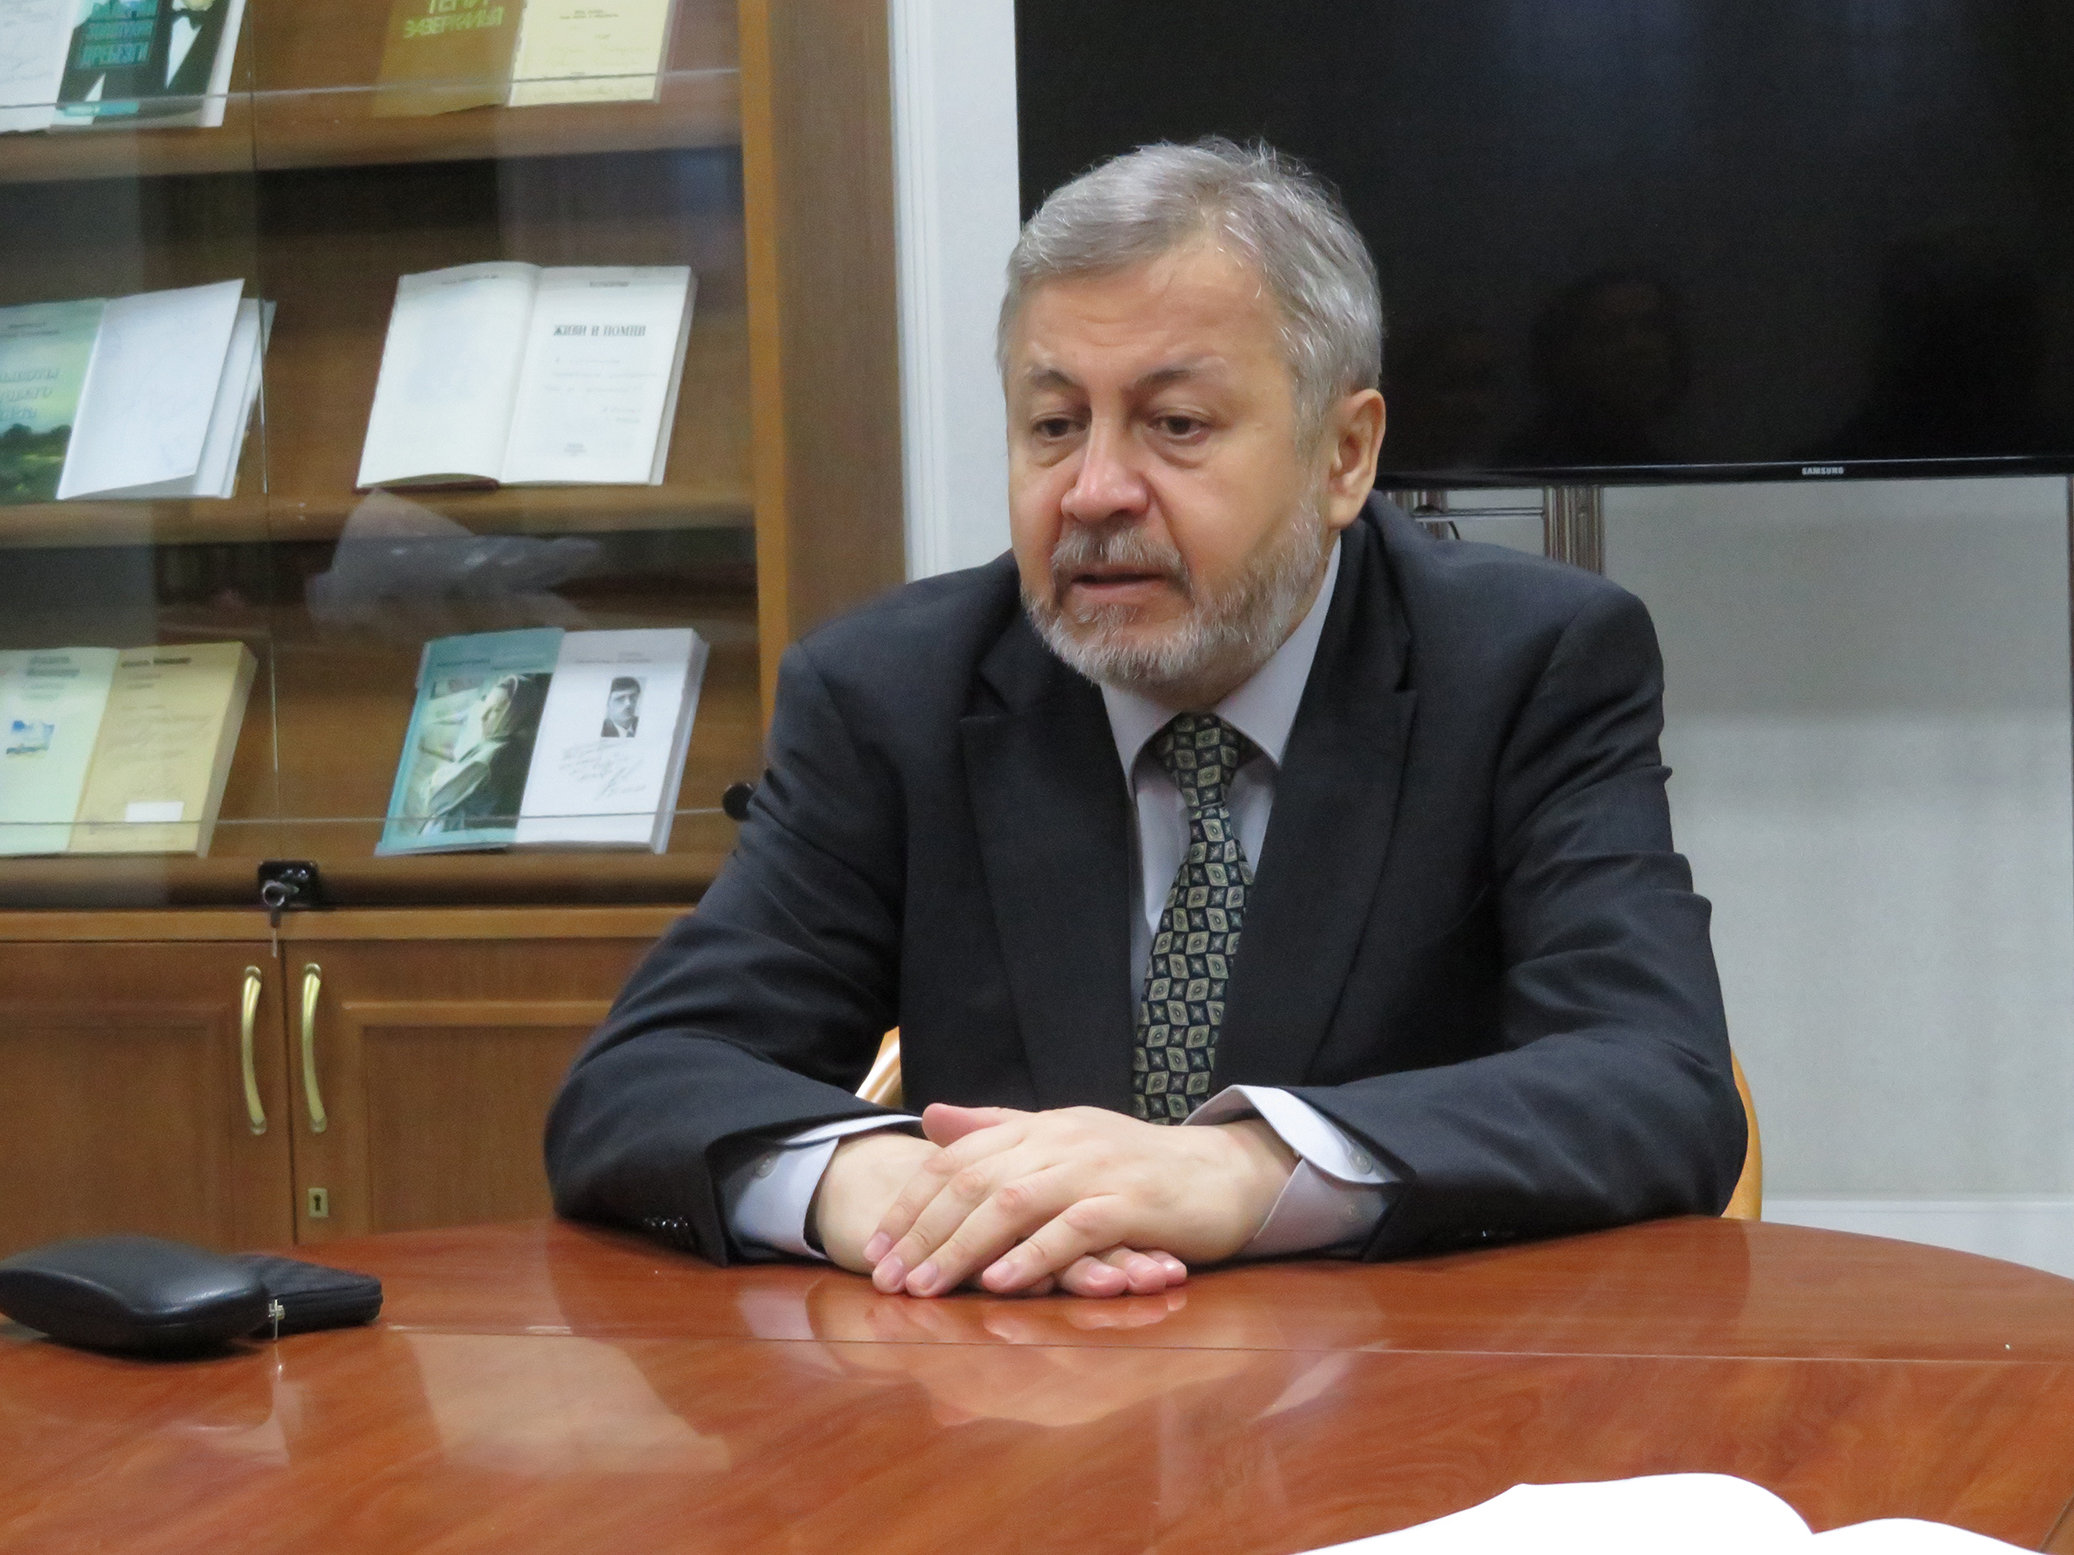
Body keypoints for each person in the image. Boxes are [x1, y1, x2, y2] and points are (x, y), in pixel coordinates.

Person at [546, 139, 1744, 1300]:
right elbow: (639, 1082)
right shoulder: (891, 693)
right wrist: (880, 1189)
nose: (1095, 492)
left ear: (1344, 454)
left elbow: (1656, 1082)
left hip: (1412, 1385)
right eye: (1054, 425)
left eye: (1175, 425)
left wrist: (1238, 1170)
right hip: (1011, 1395)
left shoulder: (1525, 665)